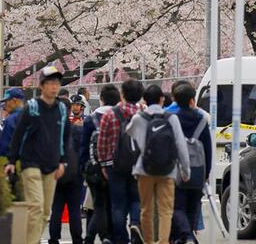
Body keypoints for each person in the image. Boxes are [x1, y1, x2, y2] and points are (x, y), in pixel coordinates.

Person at [5, 65, 70, 244]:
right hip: (31, 163)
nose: (54, 87)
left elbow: (64, 136)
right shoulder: (32, 108)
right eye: (50, 83)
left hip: (52, 165)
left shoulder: (61, 110)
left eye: (57, 83)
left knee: (45, 212)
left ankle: (28, 241)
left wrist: (63, 161)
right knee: (36, 207)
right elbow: (18, 135)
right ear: (41, 86)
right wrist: (11, 160)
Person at [127, 84, 190, 244]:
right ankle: (163, 242)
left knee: (146, 209)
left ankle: (148, 241)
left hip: (144, 169)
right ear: (162, 99)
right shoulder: (171, 118)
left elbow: (129, 134)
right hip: (167, 170)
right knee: (165, 210)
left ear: (145, 100)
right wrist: (186, 170)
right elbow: (181, 145)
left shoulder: (138, 118)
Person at [98, 78, 144, 244]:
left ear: (122, 94)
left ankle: (121, 239)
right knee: (136, 199)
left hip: (114, 165)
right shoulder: (143, 113)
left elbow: (102, 141)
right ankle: (135, 225)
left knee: (117, 205)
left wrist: (104, 163)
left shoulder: (110, 114)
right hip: (138, 164)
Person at [171, 84, 212, 244]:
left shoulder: (174, 119)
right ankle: (188, 236)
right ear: (192, 100)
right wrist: (207, 171)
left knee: (177, 206)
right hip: (198, 169)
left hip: (178, 169)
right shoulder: (202, 119)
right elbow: (207, 147)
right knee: (193, 205)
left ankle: (185, 236)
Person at [81, 83, 120, 244]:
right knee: (114, 205)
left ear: (102, 100)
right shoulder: (120, 117)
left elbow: (84, 146)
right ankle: (110, 236)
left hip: (95, 168)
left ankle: (93, 237)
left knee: (99, 205)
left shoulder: (91, 120)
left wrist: (82, 168)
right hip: (115, 167)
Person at [49, 96, 84, 244]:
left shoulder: (52, 129)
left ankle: (54, 238)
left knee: (56, 209)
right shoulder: (77, 129)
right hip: (75, 175)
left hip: (57, 173)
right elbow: (82, 151)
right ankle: (77, 239)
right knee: (74, 209)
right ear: (69, 109)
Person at [0, 87, 25, 157]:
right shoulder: (32, 115)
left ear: (14, 101)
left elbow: (4, 146)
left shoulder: (11, 119)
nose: (5, 105)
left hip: (12, 162)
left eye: (6, 101)